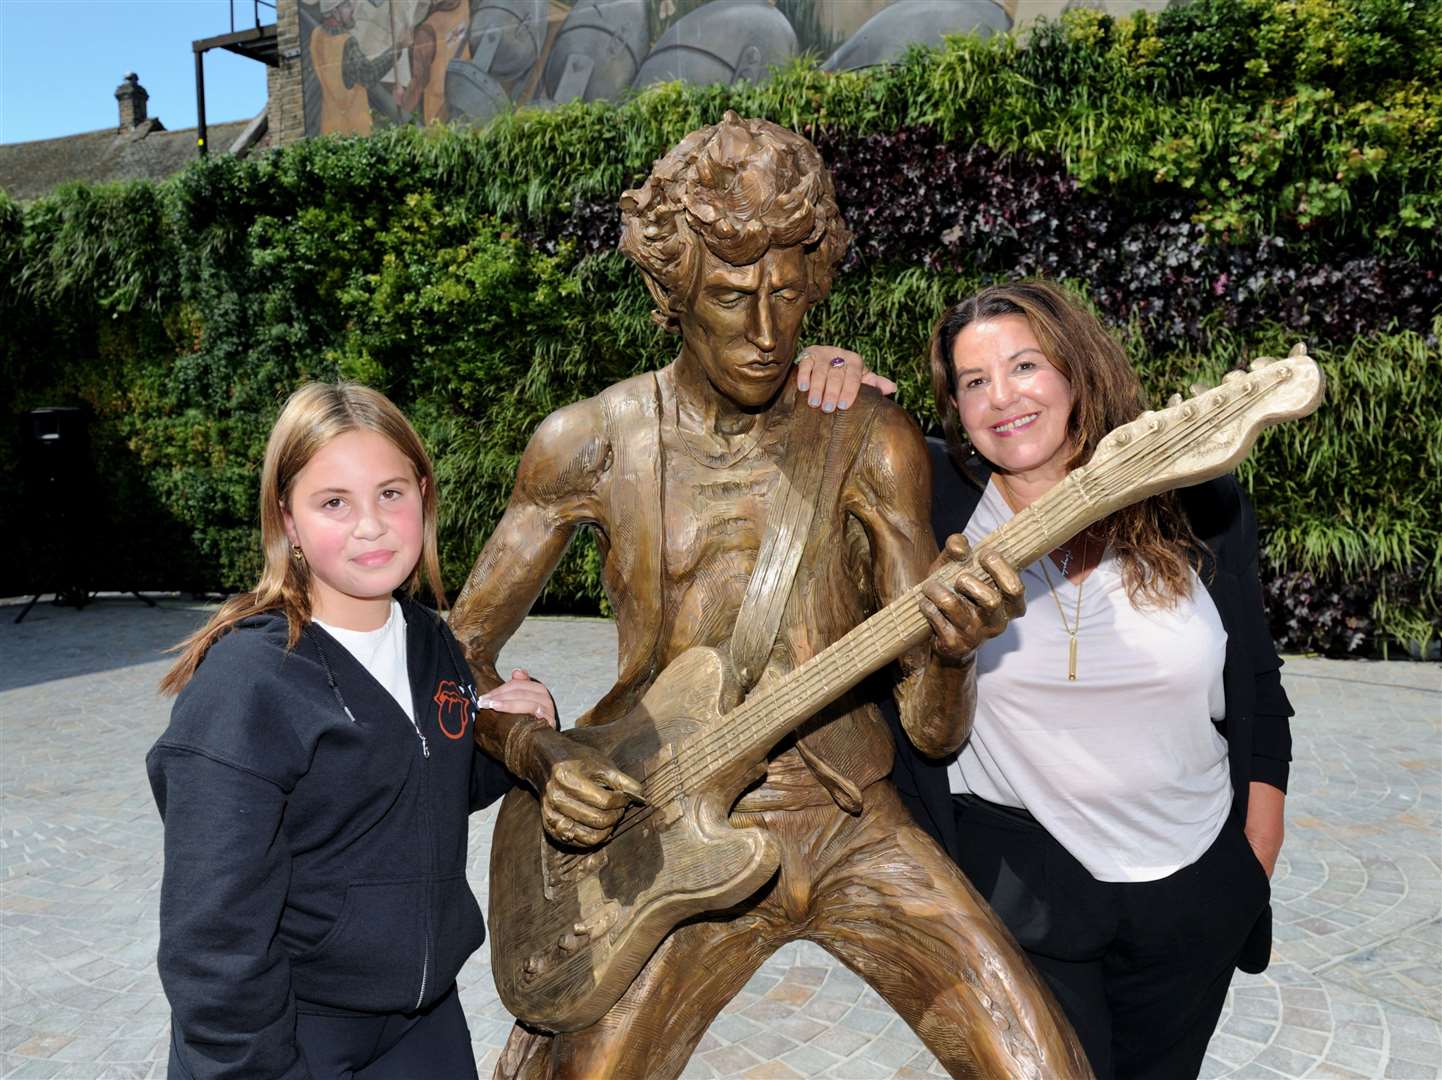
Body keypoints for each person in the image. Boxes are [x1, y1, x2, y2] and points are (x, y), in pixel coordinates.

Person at [449, 113, 1090, 1080]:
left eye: (789, 296)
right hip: (669, 833)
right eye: (728, 296)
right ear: (672, 292)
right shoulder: (588, 441)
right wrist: (536, 753)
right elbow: (453, 658)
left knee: (1040, 1063)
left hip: (851, 819)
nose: (764, 332)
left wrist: (952, 651)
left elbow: (932, 733)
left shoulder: (870, 438)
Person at [796, 279, 1293, 1079]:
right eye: (973, 382)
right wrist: (820, 381)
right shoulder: (932, 507)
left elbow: (1259, 689)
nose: (1002, 398)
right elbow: (776, 451)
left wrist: (1251, 858)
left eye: (1024, 366)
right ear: (954, 406)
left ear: (1075, 371)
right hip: (1022, 886)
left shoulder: (1193, 500)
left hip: (1194, 883)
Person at [148, 382, 557, 1079]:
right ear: (289, 521)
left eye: (391, 493)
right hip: (292, 1035)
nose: (370, 524)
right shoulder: (249, 686)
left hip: (424, 1025)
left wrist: (507, 731)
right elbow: (212, 942)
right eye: (334, 502)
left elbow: (410, 781)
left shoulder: (432, 641)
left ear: (424, 497)